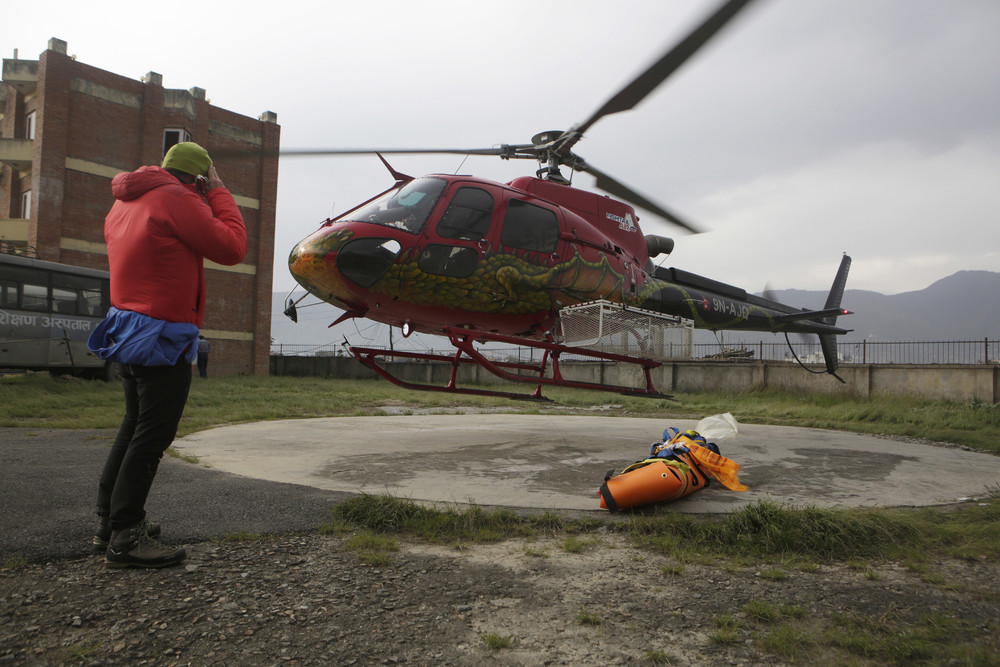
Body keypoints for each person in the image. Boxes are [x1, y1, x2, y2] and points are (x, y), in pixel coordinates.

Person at [88, 142, 247, 568]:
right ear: (197, 178)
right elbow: (232, 248)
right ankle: (125, 536)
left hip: (129, 329)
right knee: (152, 437)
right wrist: (218, 191)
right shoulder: (177, 198)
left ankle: (109, 521)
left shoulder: (125, 203)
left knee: (133, 426)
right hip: (163, 334)